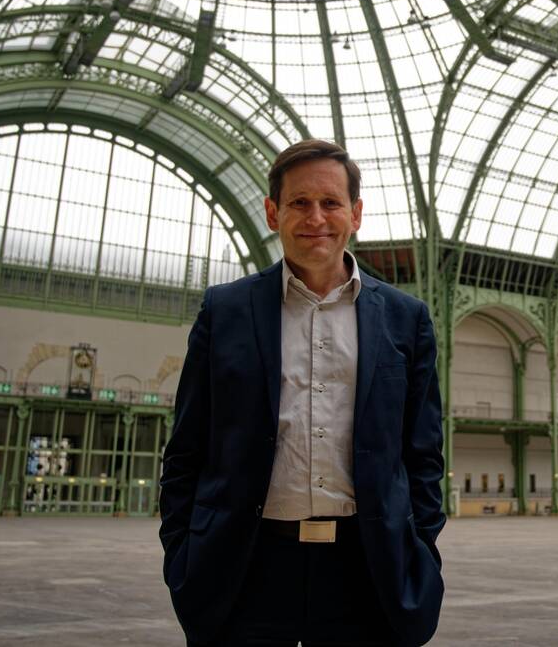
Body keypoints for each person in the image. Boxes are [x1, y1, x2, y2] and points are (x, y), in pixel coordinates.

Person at [159, 139, 445, 646]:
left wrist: (420, 546)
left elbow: (422, 453)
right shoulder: (225, 311)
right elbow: (187, 446)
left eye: (331, 202)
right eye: (299, 203)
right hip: (245, 565)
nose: (317, 217)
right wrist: (183, 550)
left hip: (368, 568)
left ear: (355, 214)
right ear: (273, 213)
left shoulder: (406, 318)